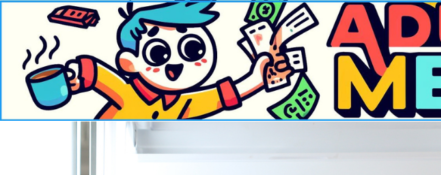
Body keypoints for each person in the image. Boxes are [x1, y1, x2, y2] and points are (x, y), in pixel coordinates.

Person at [64, 1, 288, 120]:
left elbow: (220, 98)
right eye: (157, 53)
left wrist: (257, 78)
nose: (175, 64)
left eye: (192, 49)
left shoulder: (183, 104)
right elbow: (99, 76)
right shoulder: (128, 93)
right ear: (129, 63)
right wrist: (76, 76)